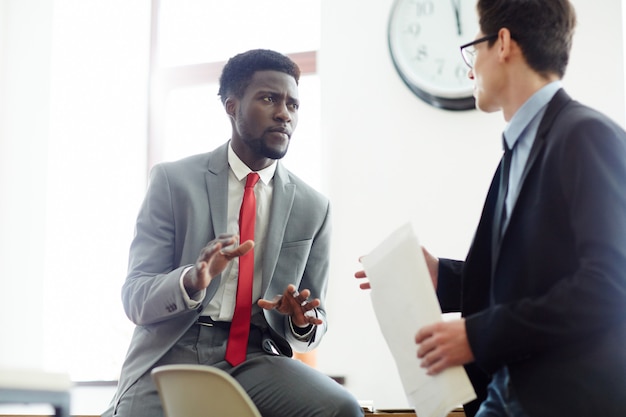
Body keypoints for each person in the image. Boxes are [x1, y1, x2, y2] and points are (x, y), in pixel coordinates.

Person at [356, 1, 626, 416]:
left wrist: (477, 336)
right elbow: (532, 281)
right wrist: (442, 276)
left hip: (562, 395)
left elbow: (608, 287)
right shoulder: (518, 150)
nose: (469, 70)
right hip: (510, 387)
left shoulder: (587, 135)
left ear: (502, 44)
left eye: (472, 50)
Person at [103, 49, 363, 417]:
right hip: (172, 349)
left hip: (254, 356)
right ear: (231, 106)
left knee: (342, 408)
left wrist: (302, 322)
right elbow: (135, 297)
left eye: (293, 104)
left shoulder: (313, 207)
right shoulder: (173, 182)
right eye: (269, 98)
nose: (284, 113)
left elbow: (313, 319)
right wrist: (192, 279)